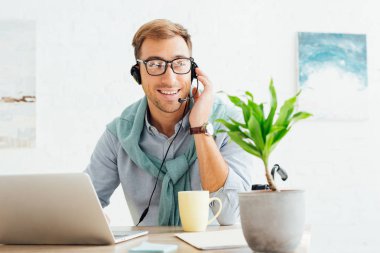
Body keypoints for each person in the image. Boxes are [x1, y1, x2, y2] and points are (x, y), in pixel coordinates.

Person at [85, 19, 252, 226]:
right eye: (155, 65)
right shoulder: (119, 133)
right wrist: (91, 220)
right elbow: (81, 205)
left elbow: (230, 214)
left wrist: (200, 127)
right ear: (138, 73)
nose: (170, 79)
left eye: (180, 63)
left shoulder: (228, 122)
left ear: (193, 70)